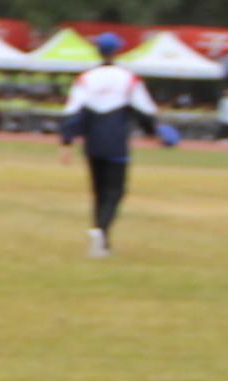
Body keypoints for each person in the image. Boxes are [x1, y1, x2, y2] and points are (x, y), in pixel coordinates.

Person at [58, 31, 163, 258]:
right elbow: (145, 110)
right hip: (116, 143)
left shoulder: (85, 78)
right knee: (115, 192)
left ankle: (101, 241)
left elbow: (72, 113)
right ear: (118, 50)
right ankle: (101, 230)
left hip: (93, 143)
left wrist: (66, 143)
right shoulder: (128, 78)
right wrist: (153, 133)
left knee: (98, 192)